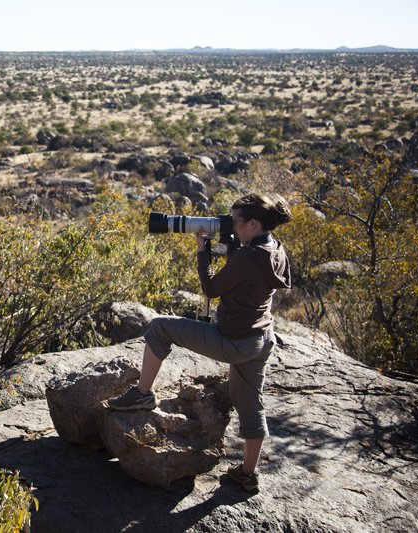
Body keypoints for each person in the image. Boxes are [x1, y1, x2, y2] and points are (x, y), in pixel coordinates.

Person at [107, 193, 292, 493]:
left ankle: (142, 393)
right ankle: (247, 473)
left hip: (233, 340)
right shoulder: (275, 249)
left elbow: (210, 287)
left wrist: (202, 248)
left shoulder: (248, 256)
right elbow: (246, 277)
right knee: (249, 402)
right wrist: (232, 245)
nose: (230, 225)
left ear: (253, 223)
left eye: (235, 222)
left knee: (159, 327)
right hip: (261, 339)